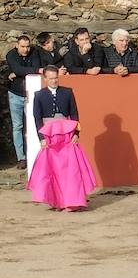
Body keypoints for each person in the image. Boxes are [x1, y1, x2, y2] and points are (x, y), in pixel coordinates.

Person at [27, 66, 94, 212]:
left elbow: (75, 115)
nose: (54, 80)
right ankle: (57, 201)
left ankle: (71, 201)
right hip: (49, 136)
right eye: (50, 78)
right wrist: (41, 138)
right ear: (45, 79)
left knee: (70, 169)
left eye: (56, 77)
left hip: (66, 134)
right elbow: (37, 118)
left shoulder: (67, 92)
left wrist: (76, 134)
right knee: (53, 169)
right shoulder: (39, 95)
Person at [5, 34, 42, 168]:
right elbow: (19, 69)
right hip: (15, 94)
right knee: (18, 126)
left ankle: (35, 154)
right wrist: (26, 71)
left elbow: (31, 71)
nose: (25, 49)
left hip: (30, 94)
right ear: (17, 45)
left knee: (33, 125)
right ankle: (21, 157)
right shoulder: (11, 55)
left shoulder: (35, 53)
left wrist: (20, 73)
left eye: (27, 46)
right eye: (22, 47)